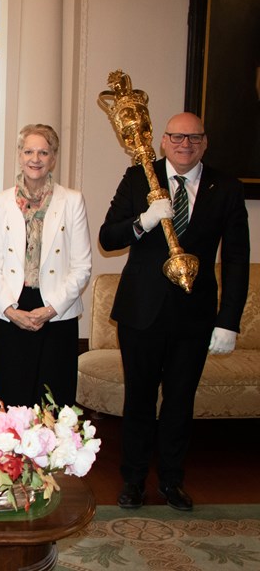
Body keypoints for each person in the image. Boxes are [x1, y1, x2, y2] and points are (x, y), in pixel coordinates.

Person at [100, 112, 250, 511]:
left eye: (195, 138)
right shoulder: (138, 179)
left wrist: (228, 321)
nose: (186, 144)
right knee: (139, 400)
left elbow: (237, 258)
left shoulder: (226, 187)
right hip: (141, 313)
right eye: (178, 137)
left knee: (181, 401)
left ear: (204, 142)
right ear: (163, 141)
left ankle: (171, 481)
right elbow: (108, 236)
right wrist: (143, 221)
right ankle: (133, 481)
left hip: (195, 316)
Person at [0, 124, 91, 410]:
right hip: (12, 310)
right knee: (10, 401)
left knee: (53, 401)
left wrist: (51, 309)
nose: (36, 158)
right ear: (19, 155)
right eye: (29, 151)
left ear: (53, 157)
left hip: (57, 311)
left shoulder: (72, 200)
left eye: (43, 152)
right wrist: (10, 310)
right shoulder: (2, 201)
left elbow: (82, 266)